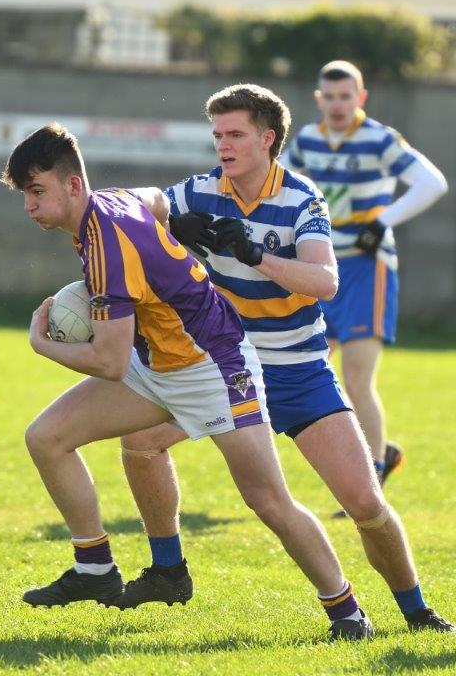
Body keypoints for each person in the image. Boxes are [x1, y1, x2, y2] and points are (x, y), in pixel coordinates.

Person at [1, 122, 371, 640]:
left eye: (36, 192)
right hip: (157, 364)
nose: (30, 207)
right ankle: (95, 567)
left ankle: (347, 610)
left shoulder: (106, 242)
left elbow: (108, 361)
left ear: (73, 185)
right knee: (47, 437)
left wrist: (44, 345)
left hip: (215, 366)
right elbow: (153, 198)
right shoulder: (114, 201)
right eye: (25, 195)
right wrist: (173, 221)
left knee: (267, 500)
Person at [119, 83, 452, 633]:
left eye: (236, 135)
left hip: (297, 369)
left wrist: (253, 252)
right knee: (141, 444)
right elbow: (138, 201)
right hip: (223, 367)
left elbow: (324, 280)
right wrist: (165, 218)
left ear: (268, 139)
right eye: (217, 135)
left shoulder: (301, 199)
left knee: (365, 503)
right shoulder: (202, 191)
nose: (222, 145)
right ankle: (168, 567)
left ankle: (417, 613)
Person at [281, 60, 448, 488]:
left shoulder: (378, 139)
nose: (338, 104)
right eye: (329, 97)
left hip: (366, 267)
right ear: (318, 99)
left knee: (357, 375)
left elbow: (432, 182)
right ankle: (377, 455)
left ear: (361, 97)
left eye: (346, 96)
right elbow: (277, 184)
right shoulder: (306, 142)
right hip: (319, 269)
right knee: (312, 369)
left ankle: (371, 477)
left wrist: (383, 221)